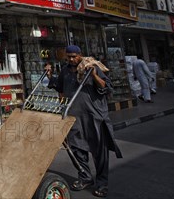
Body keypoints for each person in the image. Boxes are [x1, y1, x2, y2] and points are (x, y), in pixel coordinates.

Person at [45, 45, 122, 198]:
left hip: (94, 117)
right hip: (74, 118)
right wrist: (49, 76)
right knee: (76, 149)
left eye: (74, 56)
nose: (72, 59)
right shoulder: (66, 71)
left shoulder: (91, 67)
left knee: (100, 152)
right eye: (69, 56)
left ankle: (102, 183)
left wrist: (93, 75)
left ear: (80, 55)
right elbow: (59, 86)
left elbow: (106, 87)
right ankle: (85, 177)